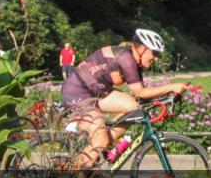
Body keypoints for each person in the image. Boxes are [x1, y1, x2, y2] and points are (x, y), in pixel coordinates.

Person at [60, 29, 187, 168]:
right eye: (154, 53)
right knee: (100, 139)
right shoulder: (126, 58)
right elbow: (140, 92)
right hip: (76, 92)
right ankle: (76, 173)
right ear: (142, 49)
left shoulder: (134, 60)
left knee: (134, 109)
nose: (156, 58)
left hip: (96, 92)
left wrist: (166, 97)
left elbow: (141, 95)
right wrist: (171, 87)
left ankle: (100, 147)